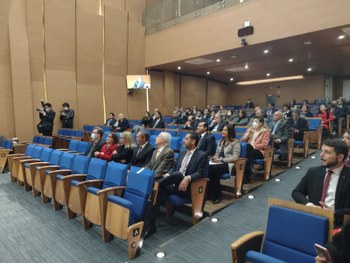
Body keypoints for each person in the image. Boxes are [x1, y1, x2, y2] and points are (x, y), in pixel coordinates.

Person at [143, 132, 208, 239]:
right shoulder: (182, 153)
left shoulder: (202, 155)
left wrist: (188, 177)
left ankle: (155, 184)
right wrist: (168, 174)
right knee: (157, 191)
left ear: (193, 141)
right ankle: (150, 225)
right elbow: (174, 167)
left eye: (186, 138)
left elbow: (200, 172)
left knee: (176, 175)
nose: (183, 140)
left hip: (188, 188)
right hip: (175, 185)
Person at [292, 139, 350, 227]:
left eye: (327, 152)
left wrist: (334, 212)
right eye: (322, 151)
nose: (321, 155)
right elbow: (296, 192)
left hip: (338, 224)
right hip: (313, 219)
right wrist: (309, 205)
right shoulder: (313, 172)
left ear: (340, 157)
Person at [208, 125, 241, 204]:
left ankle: (217, 195)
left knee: (212, 170)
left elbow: (235, 158)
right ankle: (212, 193)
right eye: (223, 130)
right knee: (208, 168)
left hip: (230, 165)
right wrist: (214, 158)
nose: (223, 131)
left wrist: (221, 160)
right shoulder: (220, 142)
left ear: (230, 132)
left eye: (225, 130)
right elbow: (216, 154)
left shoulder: (235, 143)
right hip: (219, 163)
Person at [241, 116, 271, 181]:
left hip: (259, 151)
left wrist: (254, 146)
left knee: (248, 148)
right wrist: (245, 137)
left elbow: (265, 144)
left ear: (261, 123)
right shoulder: (250, 129)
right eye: (253, 121)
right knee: (247, 149)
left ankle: (247, 172)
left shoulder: (266, 131)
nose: (254, 123)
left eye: (256, 121)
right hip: (248, 149)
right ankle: (248, 171)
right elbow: (242, 141)